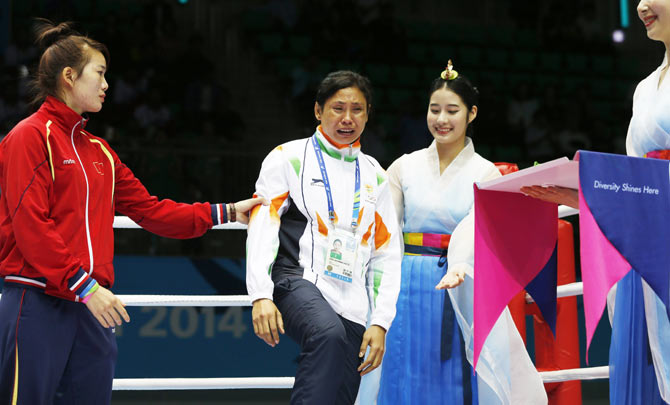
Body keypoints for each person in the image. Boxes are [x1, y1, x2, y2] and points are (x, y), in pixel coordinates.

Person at [0, 19, 266, 405]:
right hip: (39, 299)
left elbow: (152, 211)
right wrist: (86, 287)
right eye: (101, 73)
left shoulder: (100, 153)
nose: (107, 84)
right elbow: (30, 227)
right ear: (70, 76)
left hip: (91, 305)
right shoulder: (29, 136)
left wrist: (226, 212)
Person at [368, 61, 547, 404]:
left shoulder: (487, 173)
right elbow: (385, 231)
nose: (441, 119)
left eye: (452, 110)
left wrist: (460, 264)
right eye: (434, 109)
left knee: (453, 371)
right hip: (403, 281)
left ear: (472, 113)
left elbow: (480, 230)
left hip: (460, 283)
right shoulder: (404, 165)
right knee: (399, 366)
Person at [521, 1, 670, 403]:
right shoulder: (645, 87)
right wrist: (583, 193)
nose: (639, 6)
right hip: (642, 249)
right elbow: (637, 181)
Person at [246, 70, 401, 405]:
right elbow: (263, 224)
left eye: (357, 110)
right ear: (318, 111)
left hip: (354, 299)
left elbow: (387, 253)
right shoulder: (287, 157)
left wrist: (381, 322)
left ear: (368, 113)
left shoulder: (376, 175)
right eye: (338, 108)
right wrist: (260, 293)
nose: (347, 119)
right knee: (327, 334)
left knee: (343, 392)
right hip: (296, 280)